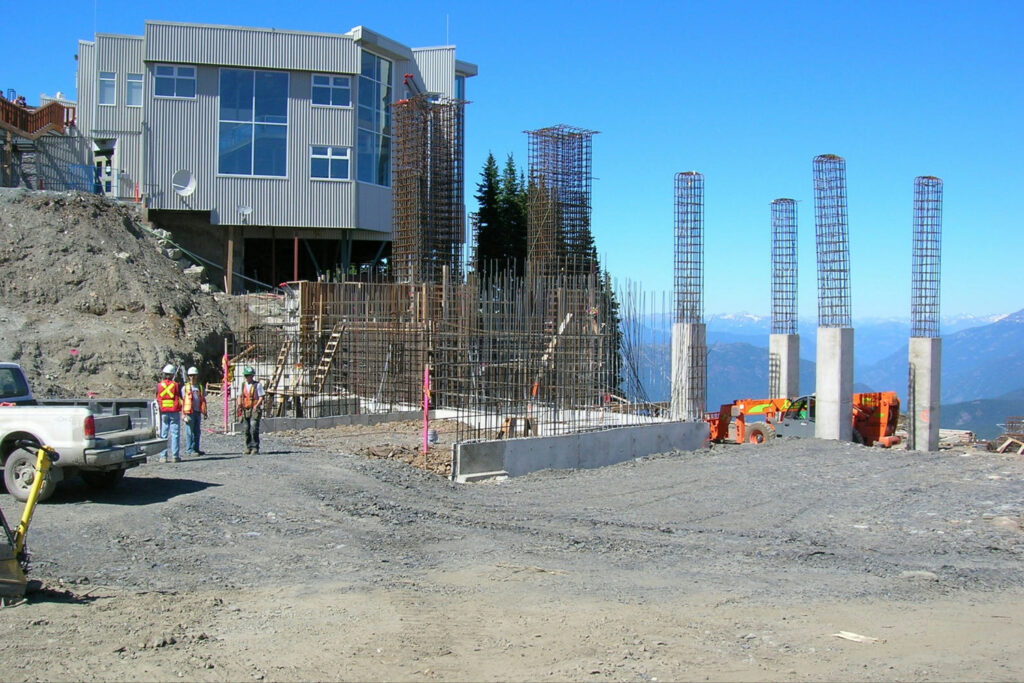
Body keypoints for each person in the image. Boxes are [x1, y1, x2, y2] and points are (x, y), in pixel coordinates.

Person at [156, 364, 182, 463]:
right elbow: (180, 397)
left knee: (163, 434)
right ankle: (175, 456)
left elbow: (157, 397)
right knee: (175, 434)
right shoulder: (175, 385)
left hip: (163, 412)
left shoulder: (159, 385)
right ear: (172, 374)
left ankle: (163, 456)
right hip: (174, 411)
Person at [236, 366, 265, 454]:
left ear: (252, 376)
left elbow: (261, 397)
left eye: (249, 375)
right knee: (246, 429)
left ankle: (255, 447)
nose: (248, 377)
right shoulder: (242, 385)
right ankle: (248, 447)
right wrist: (239, 404)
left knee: (254, 428)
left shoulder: (257, 385)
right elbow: (239, 396)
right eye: (246, 375)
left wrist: (257, 406)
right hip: (245, 409)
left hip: (254, 409)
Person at [182, 366, 207, 456]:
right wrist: (183, 414)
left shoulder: (200, 387)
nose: (192, 377)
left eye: (194, 375)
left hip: (197, 412)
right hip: (189, 412)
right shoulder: (185, 388)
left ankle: (196, 448)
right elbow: (183, 402)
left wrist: (205, 412)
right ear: (189, 376)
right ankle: (189, 449)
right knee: (189, 432)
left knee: (197, 431)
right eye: (191, 375)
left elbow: (203, 399)